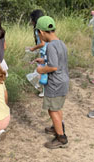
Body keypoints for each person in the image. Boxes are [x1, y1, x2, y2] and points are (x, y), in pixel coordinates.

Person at [35, 16, 69, 149]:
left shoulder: (50, 46)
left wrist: (41, 69)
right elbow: (59, 61)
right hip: (63, 81)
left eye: (38, 32)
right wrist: (44, 61)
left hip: (55, 83)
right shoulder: (60, 43)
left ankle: (61, 137)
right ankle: (58, 126)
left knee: (52, 110)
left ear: (42, 32)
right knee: (57, 107)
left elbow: (54, 67)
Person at [28, 9, 47, 98]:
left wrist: (33, 48)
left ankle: (44, 91)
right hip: (48, 51)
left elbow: (42, 43)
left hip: (45, 53)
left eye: (31, 19)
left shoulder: (38, 30)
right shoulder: (46, 28)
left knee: (43, 72)